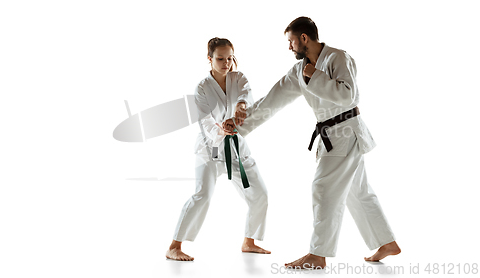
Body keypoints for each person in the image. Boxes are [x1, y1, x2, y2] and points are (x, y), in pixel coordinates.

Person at [223, 17, 401, 269]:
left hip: (345, 131)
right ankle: (386, 243)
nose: (289, 47)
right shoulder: (299, 71)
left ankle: (318, 255)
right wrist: (239, 124)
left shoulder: (339, 58)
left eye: (291, 41)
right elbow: (272, 101)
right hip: (332, 136)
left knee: (323, 188)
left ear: (303, 38)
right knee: (358, 192)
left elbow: (349, 95)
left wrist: (316, 77)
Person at [166, 37, 271, 261]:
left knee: (260, 193)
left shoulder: (239, 77)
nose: (226, 63)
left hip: (235, 147)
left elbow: (245, 95)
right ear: (210, 59)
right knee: (202, 195)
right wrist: (221, 129)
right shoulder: (203, 87)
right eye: (220, 58)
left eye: (230, 58)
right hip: (210, 149)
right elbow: (205, 122)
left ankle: (249, 241)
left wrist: (242, 107)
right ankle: (174, 246)